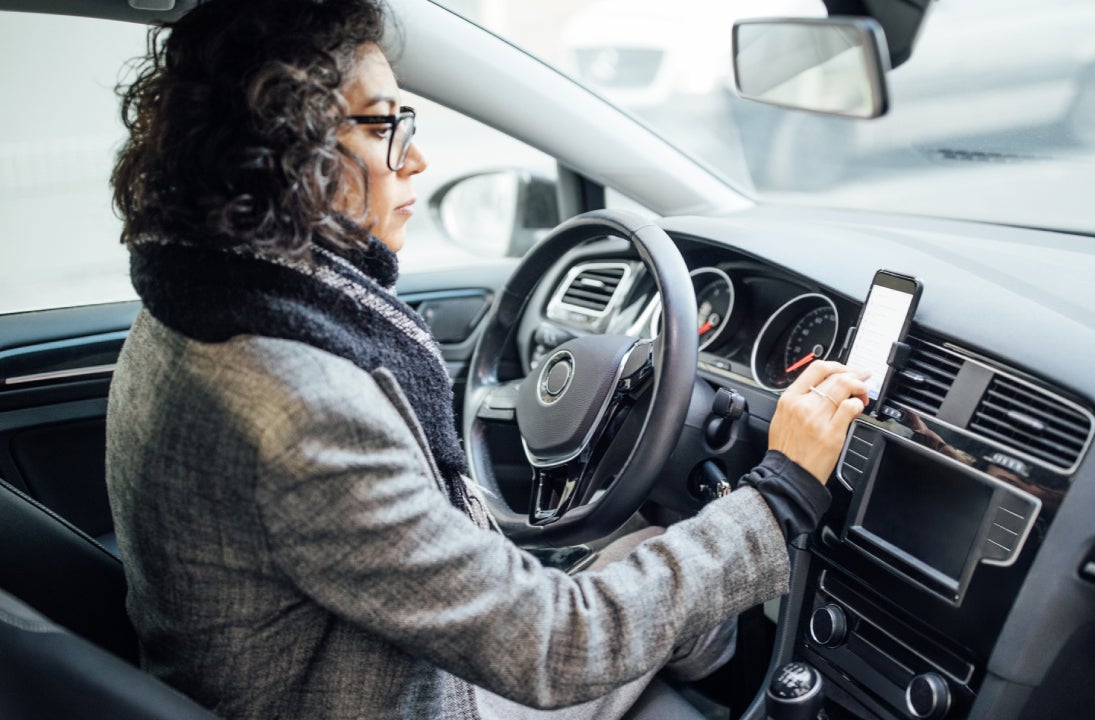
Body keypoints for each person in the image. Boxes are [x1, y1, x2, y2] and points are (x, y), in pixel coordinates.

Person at [104, 1, 870, 719]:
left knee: (654, 557)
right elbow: (557, 643)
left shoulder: (182, 306)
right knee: (664, 561)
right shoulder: (305, 410)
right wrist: (781, 494)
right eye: (385, 128)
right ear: (287, 152)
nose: (418, 159)